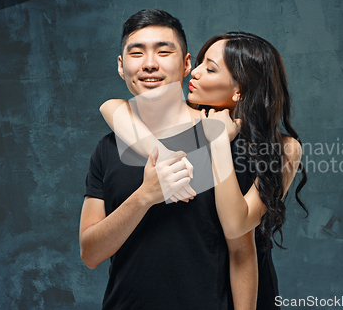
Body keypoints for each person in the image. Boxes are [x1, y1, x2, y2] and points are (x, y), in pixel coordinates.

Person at [101, 31, 308, 309]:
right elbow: (112, 106)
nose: (193, 73)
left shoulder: (284, 148)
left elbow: (237, 224)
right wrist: (167, 156)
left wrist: (220, 141)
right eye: (198, 63)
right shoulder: (179, 121)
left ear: (240, 90)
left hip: (247, 294)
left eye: (209, 69)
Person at [80, 9, 257, 310]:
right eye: (136, 54)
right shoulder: (108, 148)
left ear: (187, 64)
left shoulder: (226, 141)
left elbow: (242, 253)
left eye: (164, 51)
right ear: (121, 67)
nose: (150, 64)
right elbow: (90, 254)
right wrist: (145, 196)